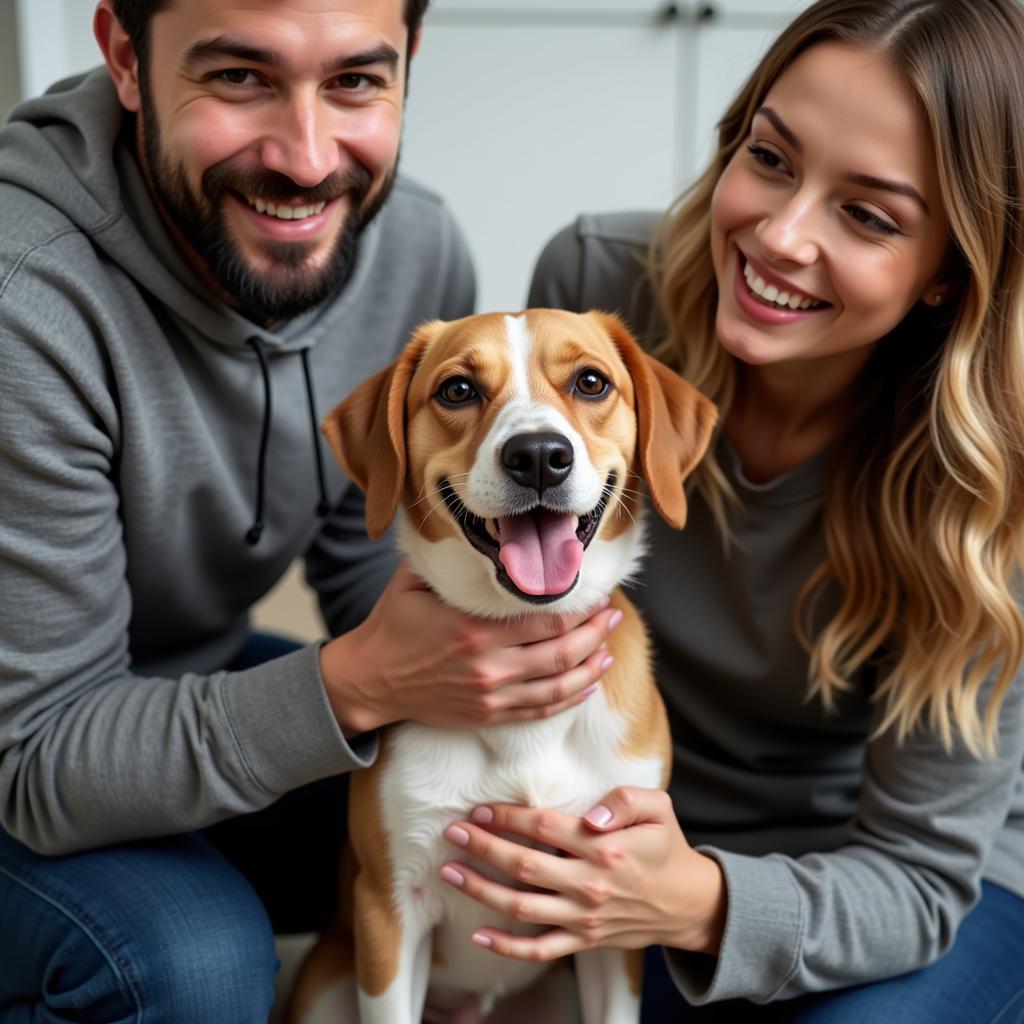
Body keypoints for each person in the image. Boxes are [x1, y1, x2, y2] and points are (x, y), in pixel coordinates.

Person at [0, 1, 620, 1020]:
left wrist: (508, 669)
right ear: (123, 55)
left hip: (178, 669)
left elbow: (359, 551)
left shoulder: (410, 246)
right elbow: (40, 764)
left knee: (501, 830)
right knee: (191, 962)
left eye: (355, 81)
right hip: (27, 743)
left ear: (410, 60)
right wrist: (355, 686)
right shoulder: (24, 301)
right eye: (239, 77)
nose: (305, 158)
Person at [436, 0, 1024, 1020]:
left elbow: (921, 877)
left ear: (949, 273)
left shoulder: (994, 470)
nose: (779, 235)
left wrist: (690, 899)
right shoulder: (595, 299)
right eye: (771, 157)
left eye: (869, 215)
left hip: (895, 878)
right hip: (635, 823)